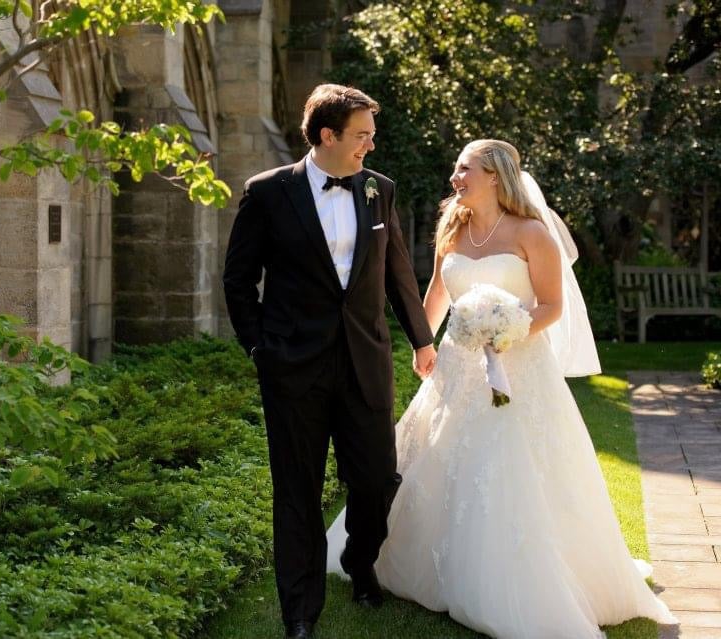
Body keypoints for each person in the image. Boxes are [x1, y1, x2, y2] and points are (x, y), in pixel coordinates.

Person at [326, 139, 678, 638]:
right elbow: (437, 292)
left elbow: (551, 306)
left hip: (519, 367)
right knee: (434, 455)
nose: (455, 177)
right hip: (455, 365)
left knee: (509, 466)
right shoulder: (453, 225)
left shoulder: (532, 232)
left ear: (494, 175)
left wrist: (508, 331)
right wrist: (422, 344)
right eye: (455, 167)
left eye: (464, 168)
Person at [223, 84, 437, 639]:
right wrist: (258, 347)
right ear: (328, 135)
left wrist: (421, 340)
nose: (371, 143)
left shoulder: (378, 191)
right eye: (362, 134)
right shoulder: (268, 193)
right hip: (293, 366)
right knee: (297, 491)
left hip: (365, 361)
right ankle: (299, 613)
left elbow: (396, 274)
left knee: (374, 481)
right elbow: (238, 278)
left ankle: (360, 562)